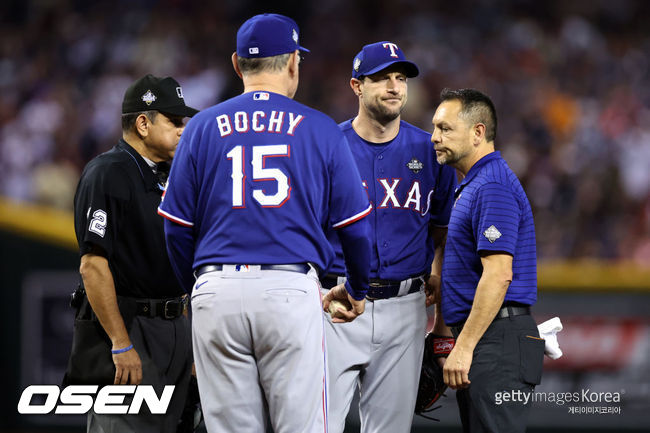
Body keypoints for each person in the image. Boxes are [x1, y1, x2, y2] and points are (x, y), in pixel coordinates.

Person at [157, 13, 372, 433]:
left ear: (237, 64)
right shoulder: (321, 128)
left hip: (215, 291)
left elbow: (175, 228)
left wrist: (194, 287)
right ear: (294, 62)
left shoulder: (200, 127)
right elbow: (356, 229)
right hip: (288, 291)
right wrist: (358, 288)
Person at [320, 41, 457, 433]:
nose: (395, 86)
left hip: (406, 308)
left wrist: (443, 327)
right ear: (356, 86)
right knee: (314, 425)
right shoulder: (327, 146)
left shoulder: (431, 150)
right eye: (381, 78)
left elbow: (442, 233)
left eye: (401, 78)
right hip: (336, 304)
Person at [72, 74, 198, 432]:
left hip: (174, 325)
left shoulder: (168, 174)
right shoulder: (107, 173)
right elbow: (93, 266)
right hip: (131, 326)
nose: (181, 129)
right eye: (173, 120)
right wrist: (120, 343)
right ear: (143, 123)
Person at [431, 88, 544, 433]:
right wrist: (447, 336)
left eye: (446, 128)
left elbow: (498, 276)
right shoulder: (472, 183)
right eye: (435, 127)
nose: (434, 137)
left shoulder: (492, 184)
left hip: (498, 340)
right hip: (490, 337)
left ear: (478, 132)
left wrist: (463, 348)